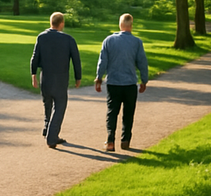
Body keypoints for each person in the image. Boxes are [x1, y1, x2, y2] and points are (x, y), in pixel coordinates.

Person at [94, 13, 149, 151]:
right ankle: (125, 141)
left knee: (112, 112)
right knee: (128, 113)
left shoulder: (109, 40)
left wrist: (99, 78)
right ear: (131, 26)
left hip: (113, 82)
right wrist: (144, 80)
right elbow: (142, 62)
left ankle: (110, 140)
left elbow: (103, 62)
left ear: (120, 25)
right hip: (130, 83)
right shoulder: (137, 42)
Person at [30, 11, 82, 148]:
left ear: (51, 23)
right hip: (60, 79)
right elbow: (76, 60)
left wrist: (33, 75)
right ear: (62, 24)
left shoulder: (41, 37)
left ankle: (47, 129)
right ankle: (52, 137)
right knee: (59, 107)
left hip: (45, 77)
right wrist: (78, 77)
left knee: (47, 103)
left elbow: (34, 58)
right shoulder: (69, 39)